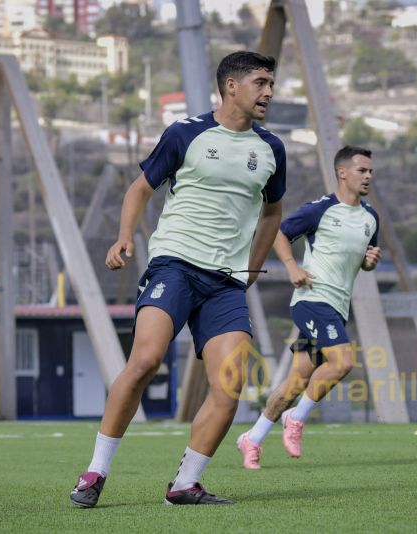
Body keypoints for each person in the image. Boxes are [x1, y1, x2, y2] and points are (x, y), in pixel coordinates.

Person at [69, 51, 285, 507]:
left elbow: (272, 213)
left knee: (229, 387)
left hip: (225, 283)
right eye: (260, 82)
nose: (269, 92)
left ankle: (185, 484)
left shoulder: (271, 149)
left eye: (271, 83)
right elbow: (139, 188)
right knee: (145, 361)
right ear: (231, 86)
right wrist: (123, 237)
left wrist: (249, 271)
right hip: (175, 266)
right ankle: (95, 472)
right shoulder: (186, 133)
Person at [236, 145, 380, 469]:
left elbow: (363, 260)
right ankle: (296, 418)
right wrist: (290, 267)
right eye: (362, 170)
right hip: (312, 300)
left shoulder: (371, 218)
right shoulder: (320, 210)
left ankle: (253, 438)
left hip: (337, 307)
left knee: (295, 383)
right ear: (342, 172)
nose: (369, 176)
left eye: (371, 171)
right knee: (343, 362)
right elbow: (279, 233)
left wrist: (370, 263)